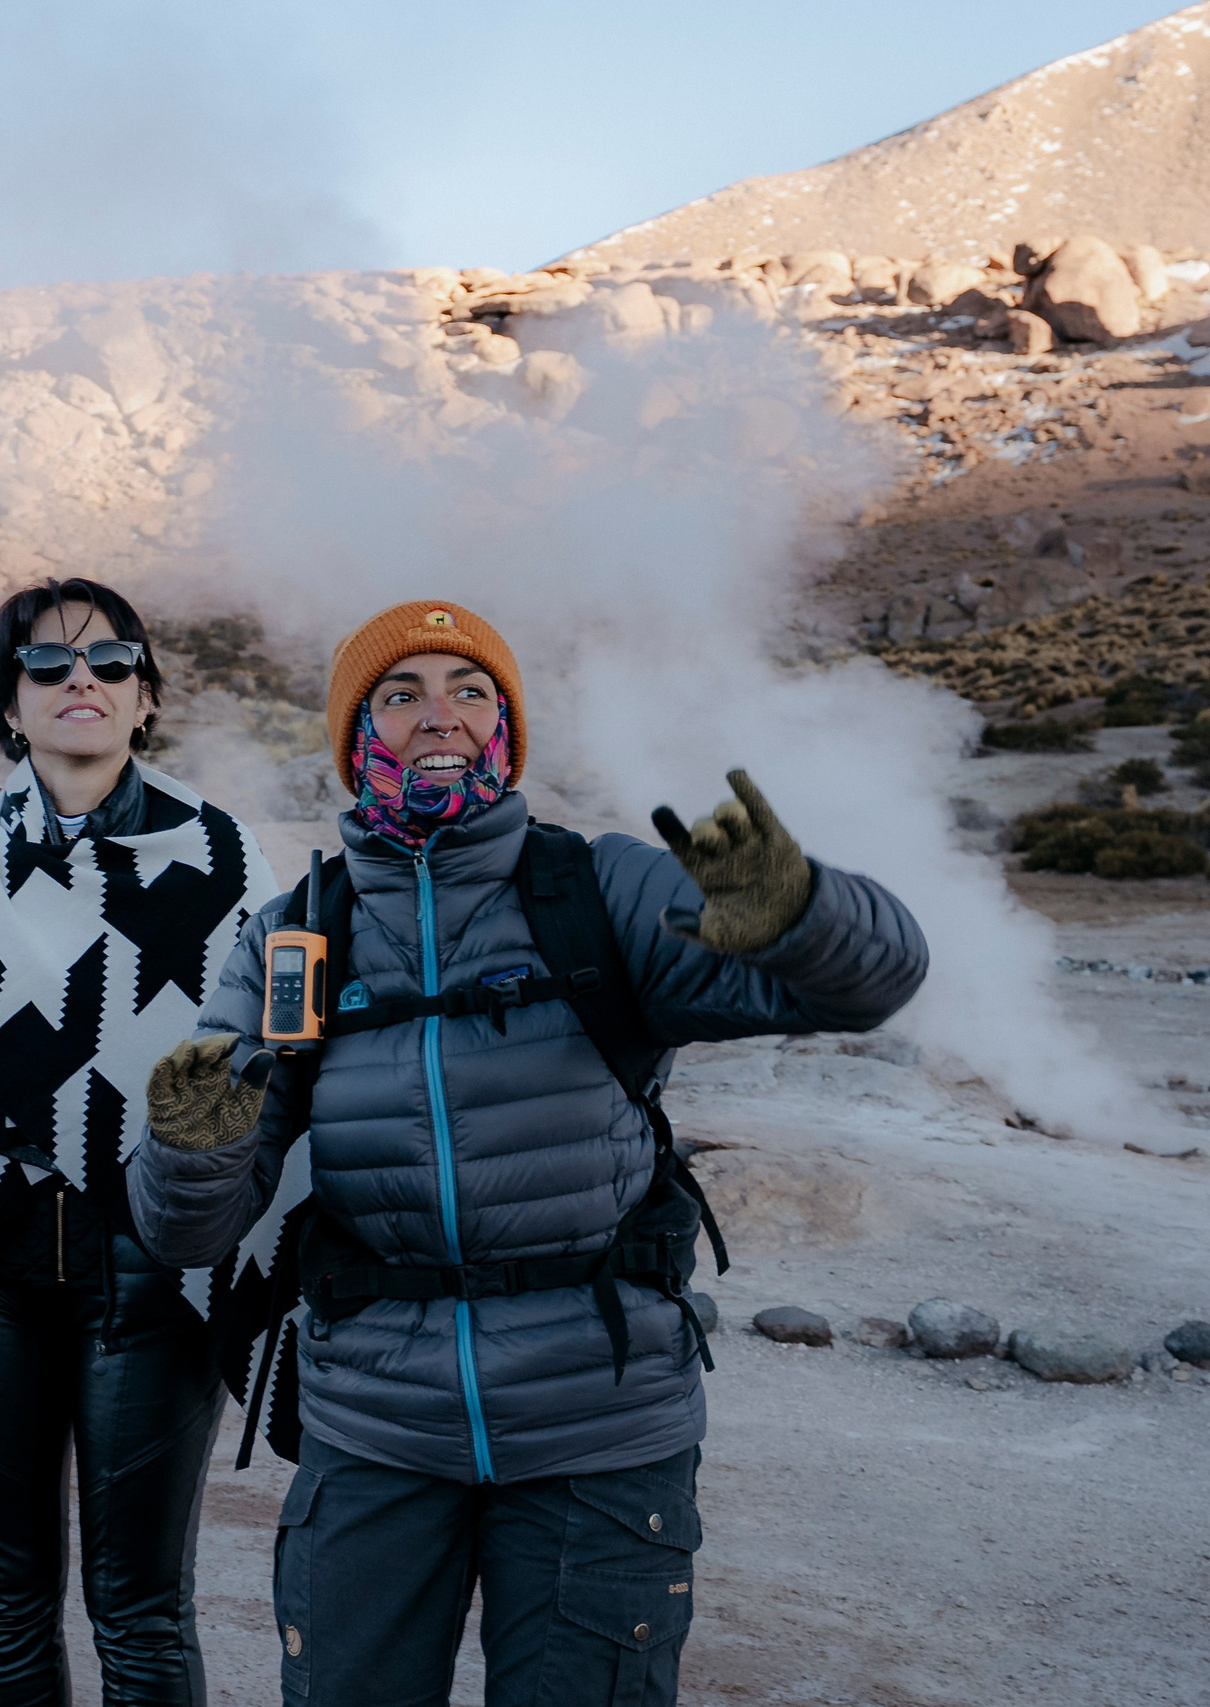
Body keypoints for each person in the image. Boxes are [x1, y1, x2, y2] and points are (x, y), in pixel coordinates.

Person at [129, 600, 929, 1707]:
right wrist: (192, 1139)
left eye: (469, 689)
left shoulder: (598, 888)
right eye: (398, 694)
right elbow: (186, 1229)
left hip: (597, 1426)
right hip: (374, 1427)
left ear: (505, 728)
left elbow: (869, 986)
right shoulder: (296, 934)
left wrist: (799, 912)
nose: (436, 714)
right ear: (357, 735)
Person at [0, 579, 277, 1707]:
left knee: (139, 1603)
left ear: (146, 696)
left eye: (110, 662)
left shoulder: (224, 860)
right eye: (46, 667)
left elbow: (257, 1065)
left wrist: (214, 1201)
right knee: (0, 1593)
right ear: (9, 705)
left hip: (149, 1260)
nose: (80, 682)